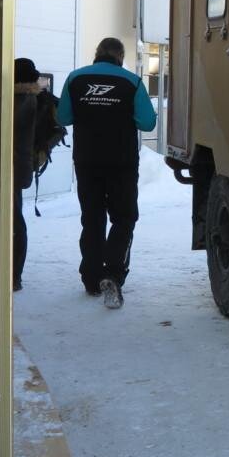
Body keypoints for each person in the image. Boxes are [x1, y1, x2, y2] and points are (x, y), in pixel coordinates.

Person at [58, 38, 157, 309]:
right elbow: (148, 122)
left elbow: (63, 118)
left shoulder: (75, 79)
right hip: (122, 162)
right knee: (124, 218)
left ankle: (91, 279)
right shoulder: (132, 82)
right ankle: (113, 274)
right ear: (121, 56)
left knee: (92, 217)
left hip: (87, 160)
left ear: (96, 53)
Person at [12, 58, 41, 291]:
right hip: (20, 167)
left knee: (12, 222)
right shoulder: (35, 99)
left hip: (6, 167)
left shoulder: (15, 100)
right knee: (15, 221)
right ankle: (14, 276)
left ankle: (11, 275)